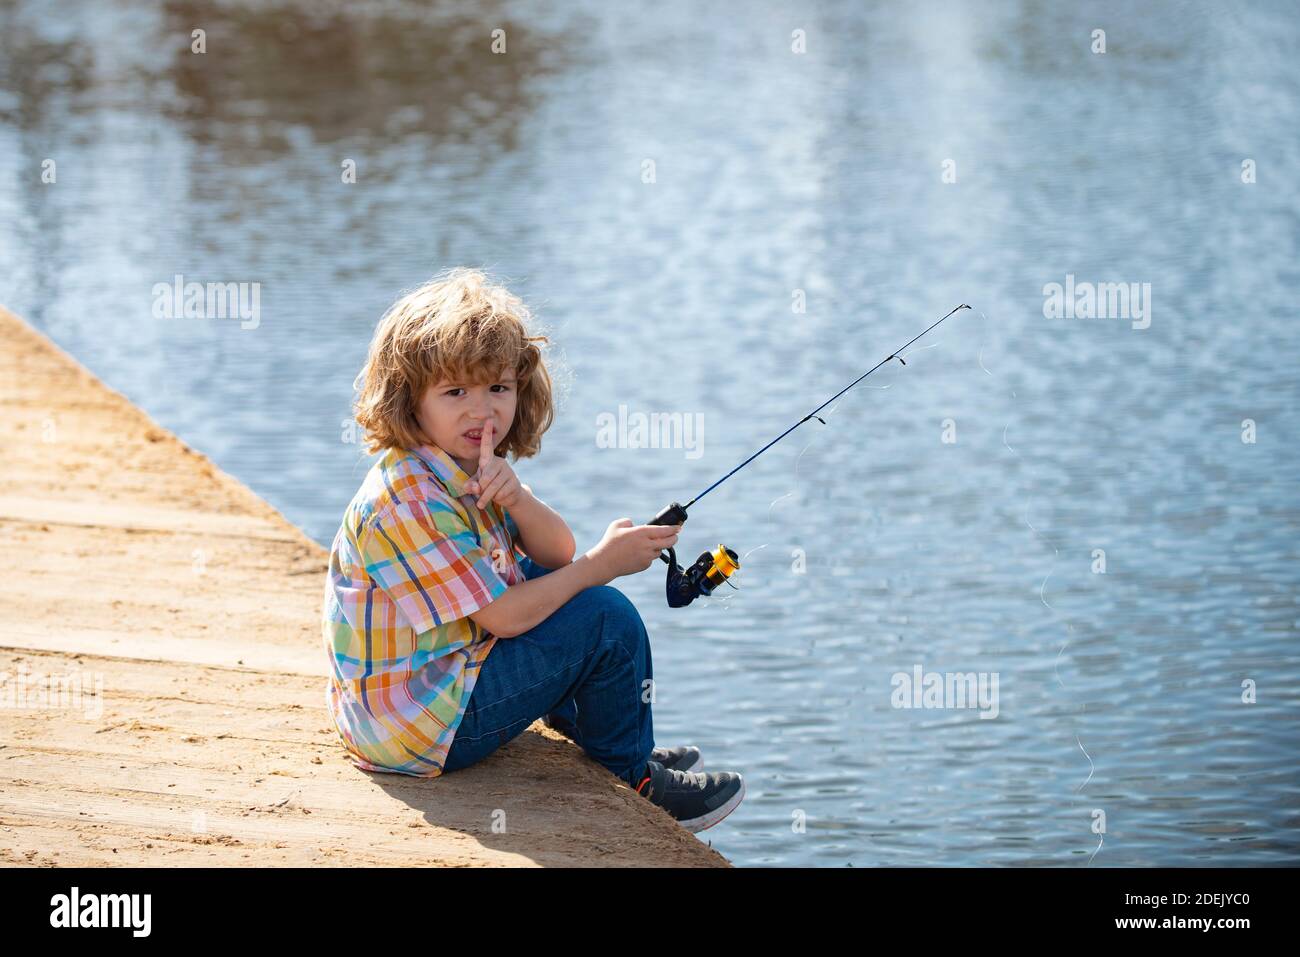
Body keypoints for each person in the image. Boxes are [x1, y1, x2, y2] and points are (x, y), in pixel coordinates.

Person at [321, 266, 745, 832]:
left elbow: (556, 553)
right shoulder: (409, 499)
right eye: (456, 392)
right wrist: (602, 567)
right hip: (411, 730)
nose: (482, 410)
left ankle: (610, 735)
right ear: (410, 401)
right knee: (603, 617)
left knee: (535, 574)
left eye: (498, 388)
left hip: (421, 698)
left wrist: (518, 501)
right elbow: (505, 614)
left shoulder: (467, 466)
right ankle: (633, 774)